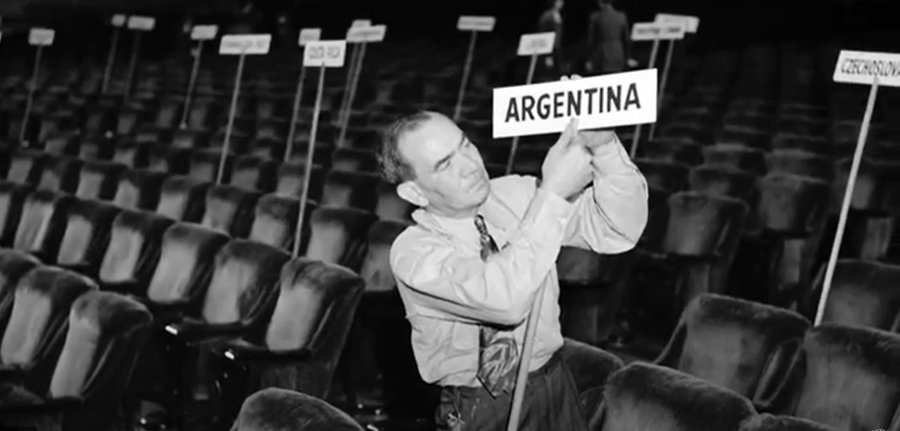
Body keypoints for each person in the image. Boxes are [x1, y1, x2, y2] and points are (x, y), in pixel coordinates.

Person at [378, 79, 648, 430]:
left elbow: (617, 230)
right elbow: (505, 301)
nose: (470, 166)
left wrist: (604, 147)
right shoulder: (413, 252)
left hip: (553, 382)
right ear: (414, 193)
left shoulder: (516, 194)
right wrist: (552, 196)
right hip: (482, 406)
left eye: (465, 145)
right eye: (445, 165)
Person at [585, 0, 633, 74]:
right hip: (618, 53)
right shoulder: (622, 16)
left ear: (600, 2)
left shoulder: (595, 17)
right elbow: (627, 40)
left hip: (602, 54)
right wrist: (628, 57)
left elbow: (591, 41)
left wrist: (589, 59)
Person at [537, 0, 565, 73]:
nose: (561, 3)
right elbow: (543, 35)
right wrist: (547, 55)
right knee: (550, 72)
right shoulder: (546, 16)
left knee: (559, 71)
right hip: (549, 49)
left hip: (558, 48)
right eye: (559, 1)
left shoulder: (558, 14)